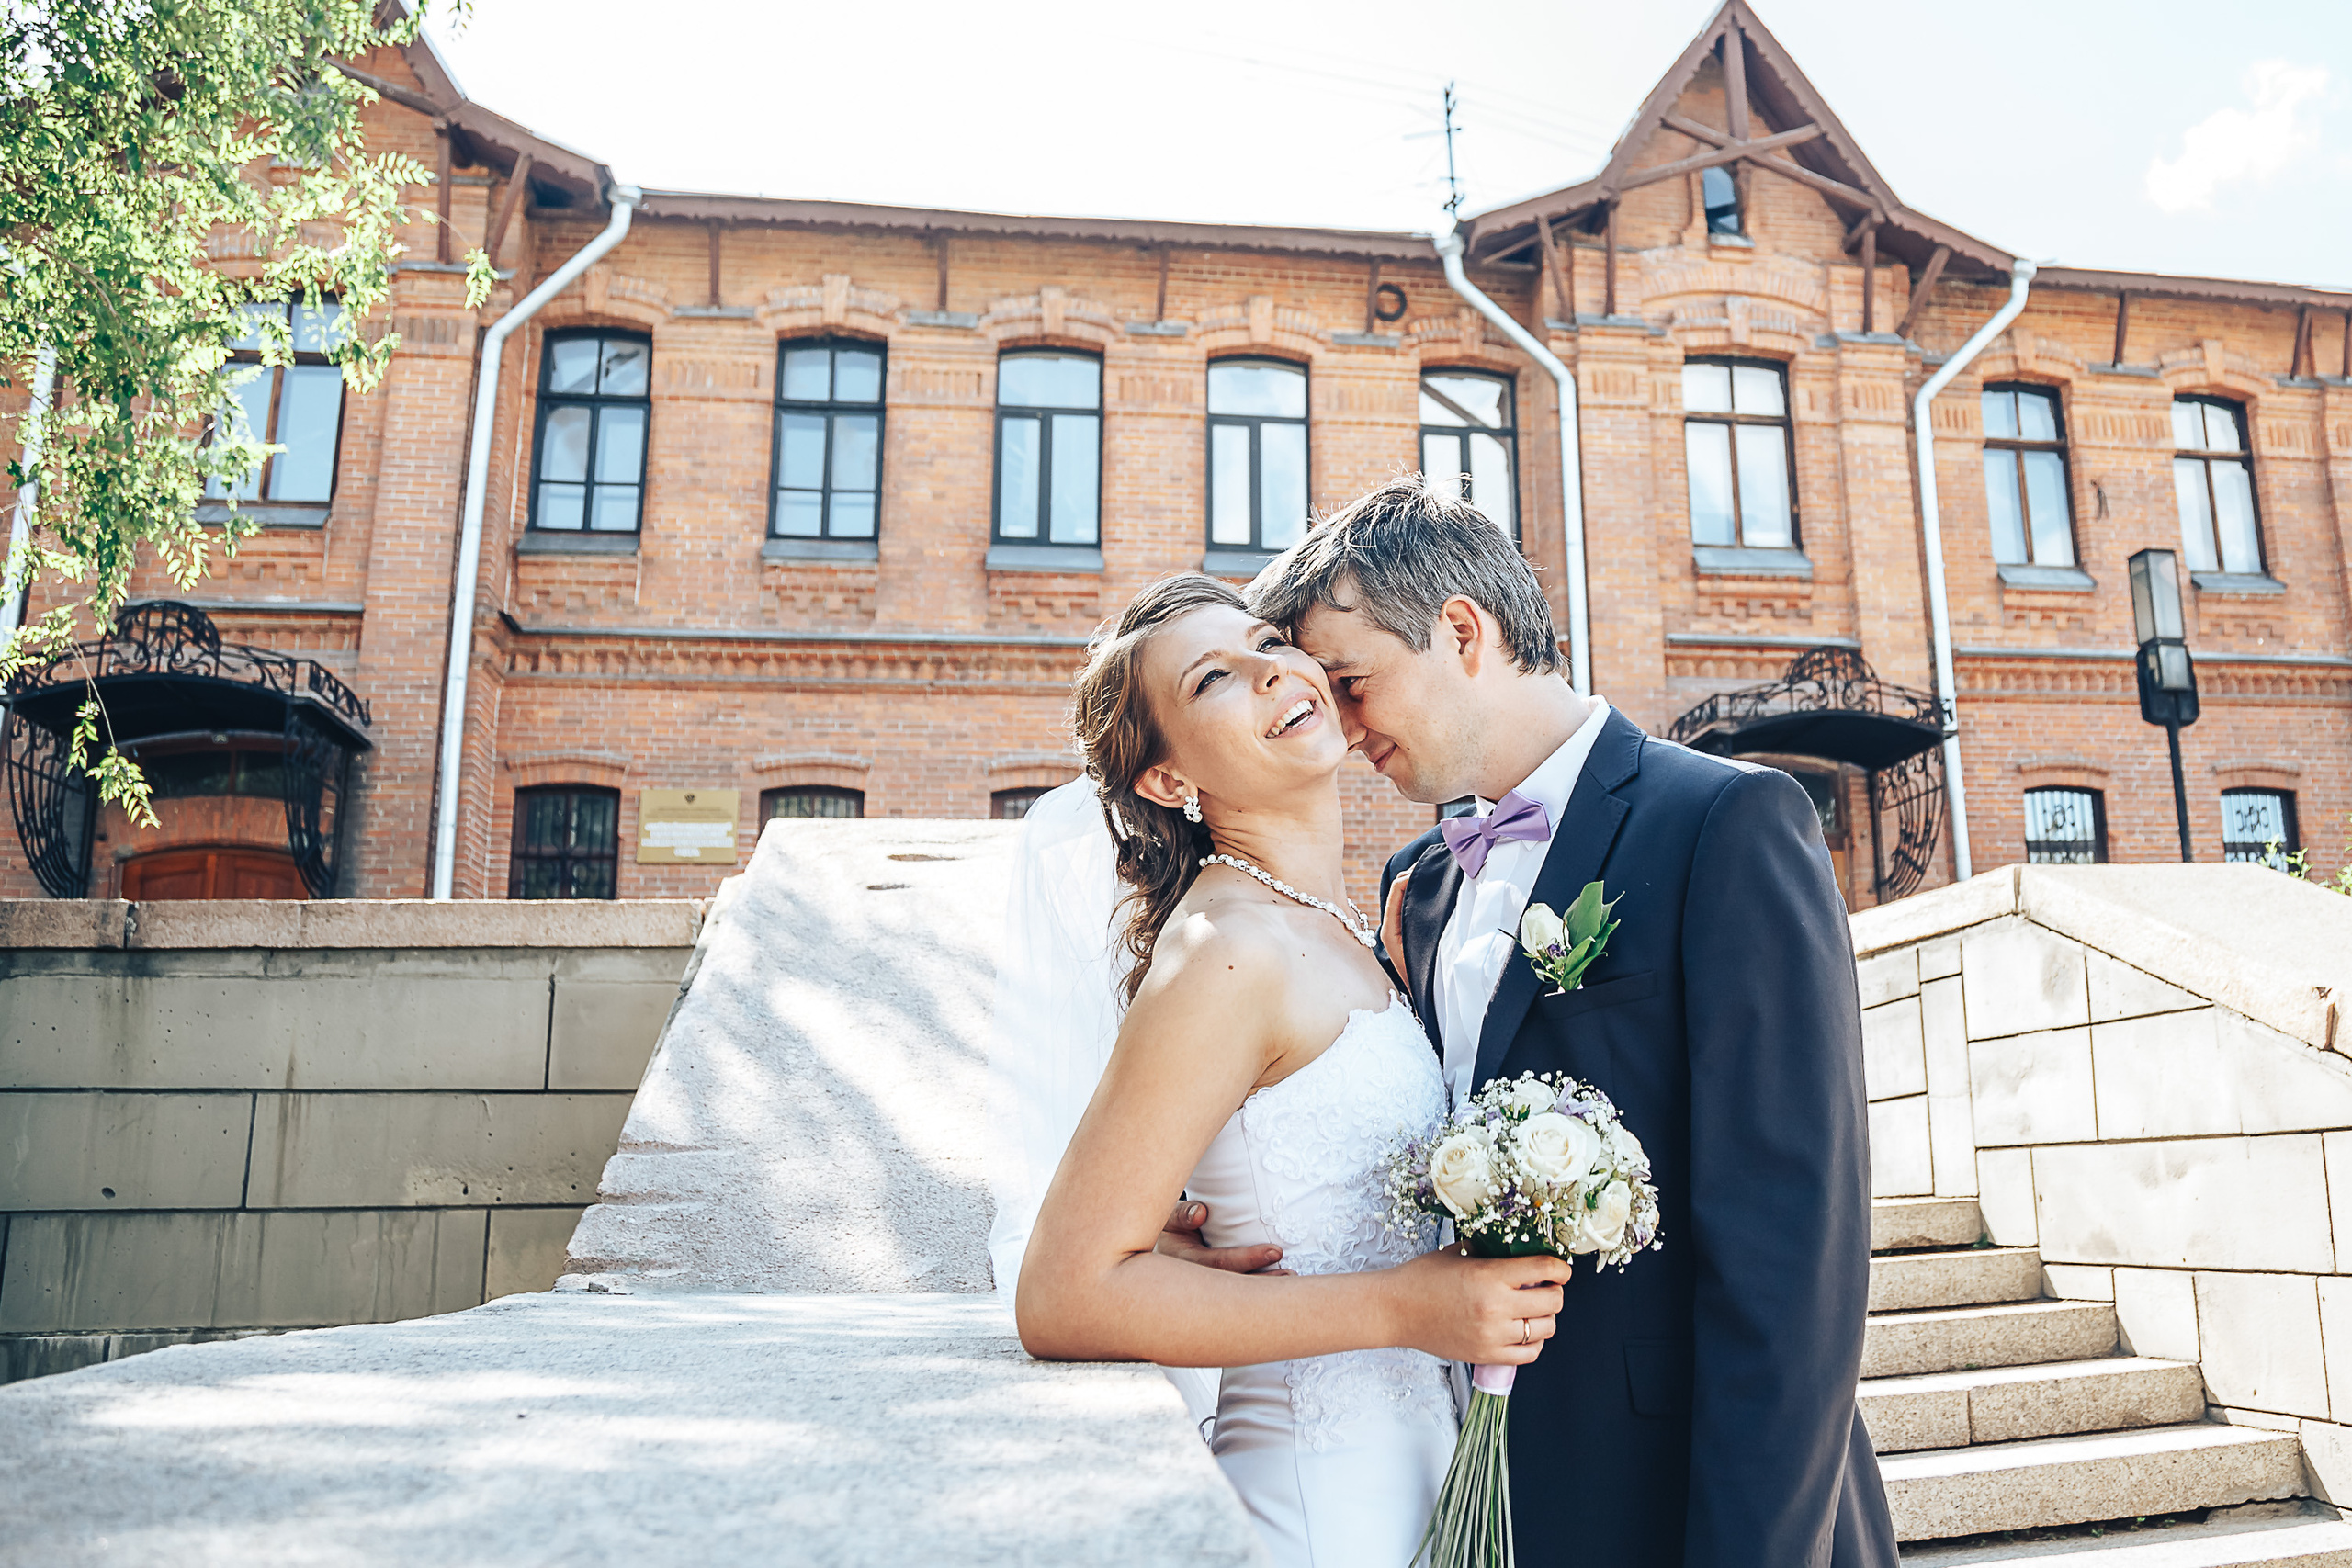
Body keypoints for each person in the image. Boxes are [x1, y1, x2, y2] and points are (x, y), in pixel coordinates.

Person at [1166, 474, 1896, 1568]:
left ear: (1462, 630)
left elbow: (1798, 1256)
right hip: (1478, 1487)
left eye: (1356, 682)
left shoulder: (1726, 822)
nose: (1343, 726)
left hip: (1697, 1499)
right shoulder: (1418, 882)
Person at [1014, 571, 1571, 1568]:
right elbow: (1063, 1294)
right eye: (1215, 680)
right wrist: (1405, 1306)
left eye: (1270, 643)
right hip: (1318, 1500)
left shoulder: (1350, 928)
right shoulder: (1228, 950)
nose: (1273, 676)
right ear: (1169, 782)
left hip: (1426, 1466)